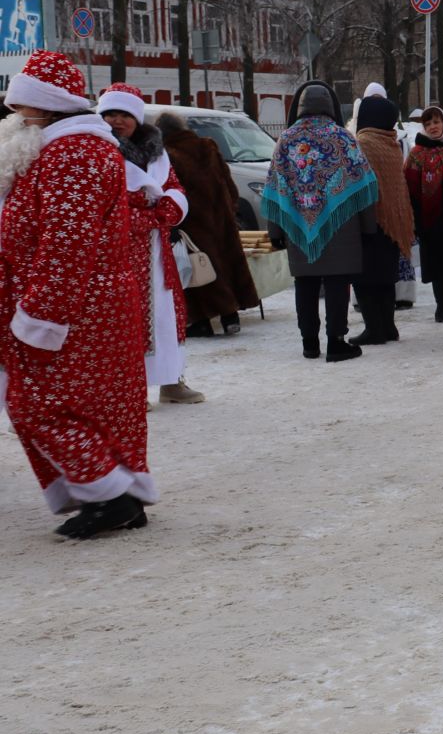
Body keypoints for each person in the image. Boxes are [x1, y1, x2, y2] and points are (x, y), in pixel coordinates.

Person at [0, 51, 154, 536]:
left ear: (44, 108)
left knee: (39, 404)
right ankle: (117, 491)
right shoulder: (58, 151)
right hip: (76, 304)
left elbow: (67, 246)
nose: (15, 118)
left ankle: (110, 495)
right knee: (90, 406)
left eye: (21, 108)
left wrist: (40, 316)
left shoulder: (75, 155)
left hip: (74, 309)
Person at [262, 81, 378, 363]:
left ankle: (309, 343)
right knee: (338, 283)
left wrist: (275, 231)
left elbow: (275, 189)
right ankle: (336, 343)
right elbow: (364, 186)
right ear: (331, 106)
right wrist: (368, 227)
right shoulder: (343, 138)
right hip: (342, 227)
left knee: (305, 283)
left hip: (297, 228)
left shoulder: (286, 140)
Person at [98, 84, 195, 403]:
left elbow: (172, 188)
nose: (116, 120)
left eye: (124, 114)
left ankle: (171, 380)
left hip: (155, 250)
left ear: (137, 118)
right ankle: (129, 389)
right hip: (116, 250)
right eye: (110, 113)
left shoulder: (157, 151)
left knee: (166, 316)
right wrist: (139, 210)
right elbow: (101, 200)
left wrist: (165, 210)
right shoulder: (96, 150)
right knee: (124, 319)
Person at [156, 111, 259, 336]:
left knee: (200, 269)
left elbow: (170, 189)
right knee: (227, 263)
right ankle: (231, 317)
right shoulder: (208, 145)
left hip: (193, 221)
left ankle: (203, 320)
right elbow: (228, 180)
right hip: (221, 216)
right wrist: (230, 207)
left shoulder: (167, 154)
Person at [350, 95, 413, 346]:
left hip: (370, 218)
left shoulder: (363, 143)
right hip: (393, 220)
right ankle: (388, 326)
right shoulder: (391, 143)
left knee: (364, 278)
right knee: (386, 277)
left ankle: (373, 329)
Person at [405, 105, 443, 322]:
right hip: (430, 218)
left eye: (436, 122)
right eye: (428, 124)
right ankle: (442, 307)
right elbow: (409, 186)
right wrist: (415, 217)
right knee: (438, 264)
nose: (433, 127)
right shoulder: (417, 153)